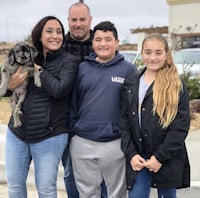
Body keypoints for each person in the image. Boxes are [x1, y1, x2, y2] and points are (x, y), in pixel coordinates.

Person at [5, 16, 78, 198]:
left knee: (45, 190)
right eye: (49, 31)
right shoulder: (25, 55)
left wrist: (37, 70)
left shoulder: (69, 61)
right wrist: (10, 85)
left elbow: (59, 90)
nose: (55, 36)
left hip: (50, 135)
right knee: (14, 186)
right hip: (17, 132)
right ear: (39, 35)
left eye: (59, 31)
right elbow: (5, 88)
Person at [69, 21, 138, 198]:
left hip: (114, 143)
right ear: (92, 42)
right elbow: (73, 103)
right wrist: (74, 133)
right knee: (87, 193)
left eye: (108, 39)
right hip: (82, 142)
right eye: (98, 39)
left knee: (117, 194)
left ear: (117, 42)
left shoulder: (129, 70)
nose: (103, 44)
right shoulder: (82, 69)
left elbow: (134, 108)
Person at [119, 33, 190, 198]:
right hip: (139, 156)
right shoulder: (131, 82)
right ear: (142, 53)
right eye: (148, 52)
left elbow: (180, 128)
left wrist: (159, 158)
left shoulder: (175, 85)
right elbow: (124, 122)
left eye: (158, 52)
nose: (153, 57)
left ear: (166, 54)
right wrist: (131, 154)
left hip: (165, 157)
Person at [63, 2, 107, 198]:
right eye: (74, 20)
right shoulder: (59, 47)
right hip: (66, 122)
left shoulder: (101, 45)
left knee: (104, 176)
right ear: (68, 21)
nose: (78, 24)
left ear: (90, 20)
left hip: (99, 122)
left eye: (82, 19)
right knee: (72, 174)